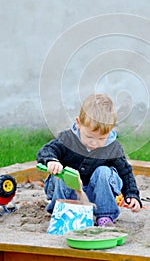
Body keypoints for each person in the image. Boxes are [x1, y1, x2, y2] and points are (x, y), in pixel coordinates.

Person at [36, 93, 142, 226]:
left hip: (97, 197)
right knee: (64, 172)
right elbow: (46, 151)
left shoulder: (112, 147)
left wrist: (132, 195)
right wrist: (52, 161)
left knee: (104, 171)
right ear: (78, 123)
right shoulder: (67, 139)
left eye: (101, 139)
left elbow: (125, 172)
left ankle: (104, 216)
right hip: (67, 194)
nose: (94, 143)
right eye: (89, 137)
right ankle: (62, 214)